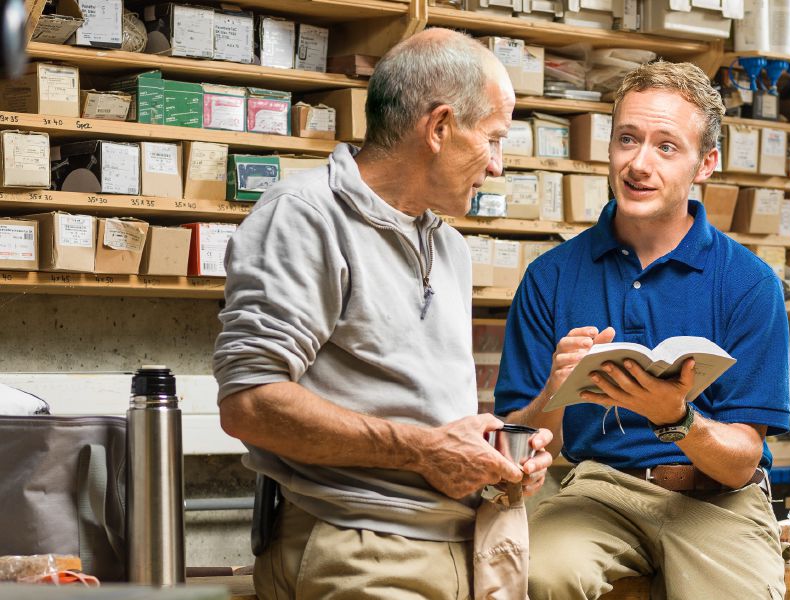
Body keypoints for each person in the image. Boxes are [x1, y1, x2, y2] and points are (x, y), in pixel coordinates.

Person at [213, 28, 553, 599]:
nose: (497, 166)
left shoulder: (446, 243)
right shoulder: (305, 218)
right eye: (493, 139)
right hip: (360, 548)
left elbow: (426, 418)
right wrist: (424, 450)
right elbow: (250, 404)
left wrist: (490, 451)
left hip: (465, 543)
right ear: (439, 127)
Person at [495, 61, 790, 598]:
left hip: (716, 503)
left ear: (707, 163)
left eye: (666, 147)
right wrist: (555, 389)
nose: (638, 164)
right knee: (538, 574)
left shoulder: (749, 283)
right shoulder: (551, 277)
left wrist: (675, 420)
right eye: (627, 139)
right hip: (597, 493)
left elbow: (742, 459)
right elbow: (521, 447)